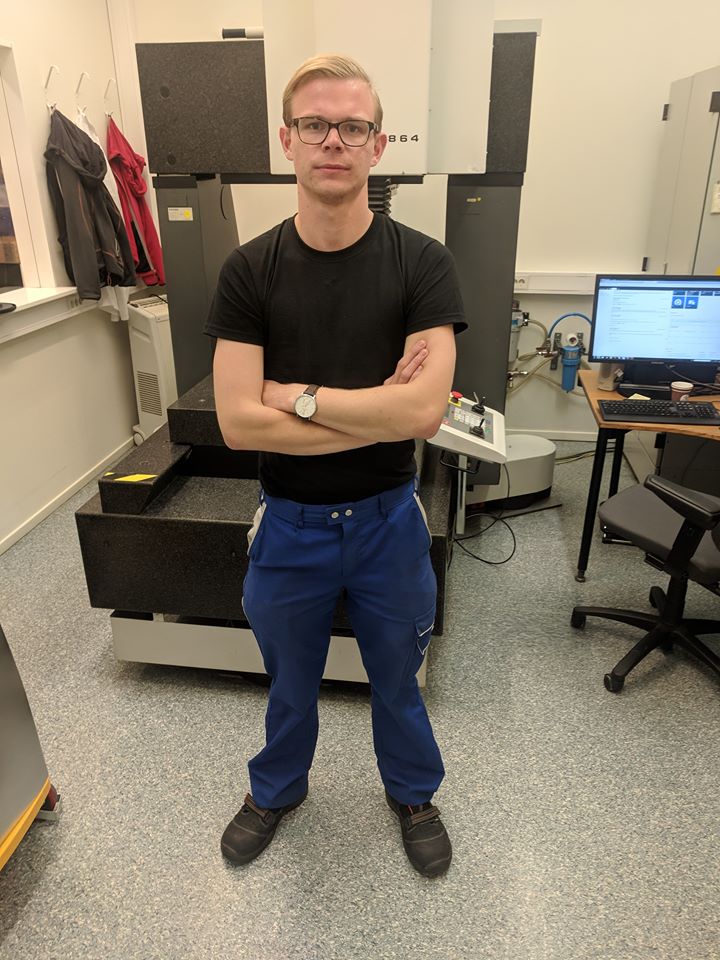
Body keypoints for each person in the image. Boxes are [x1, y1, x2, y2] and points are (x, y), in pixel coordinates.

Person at [204, 54, 466, 878]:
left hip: (389, 523)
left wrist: (300, 399)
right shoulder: (249, 271)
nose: (333, 142)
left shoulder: (422, 263)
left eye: (353, 127)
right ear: (287, 139)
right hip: (290, 527)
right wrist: (376, 408)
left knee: (398, 679)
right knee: (290, 683)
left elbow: (422, 415)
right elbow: (238, 424)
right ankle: (276, 789)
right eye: (315, 124)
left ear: (377, 145)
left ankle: (414, 793)